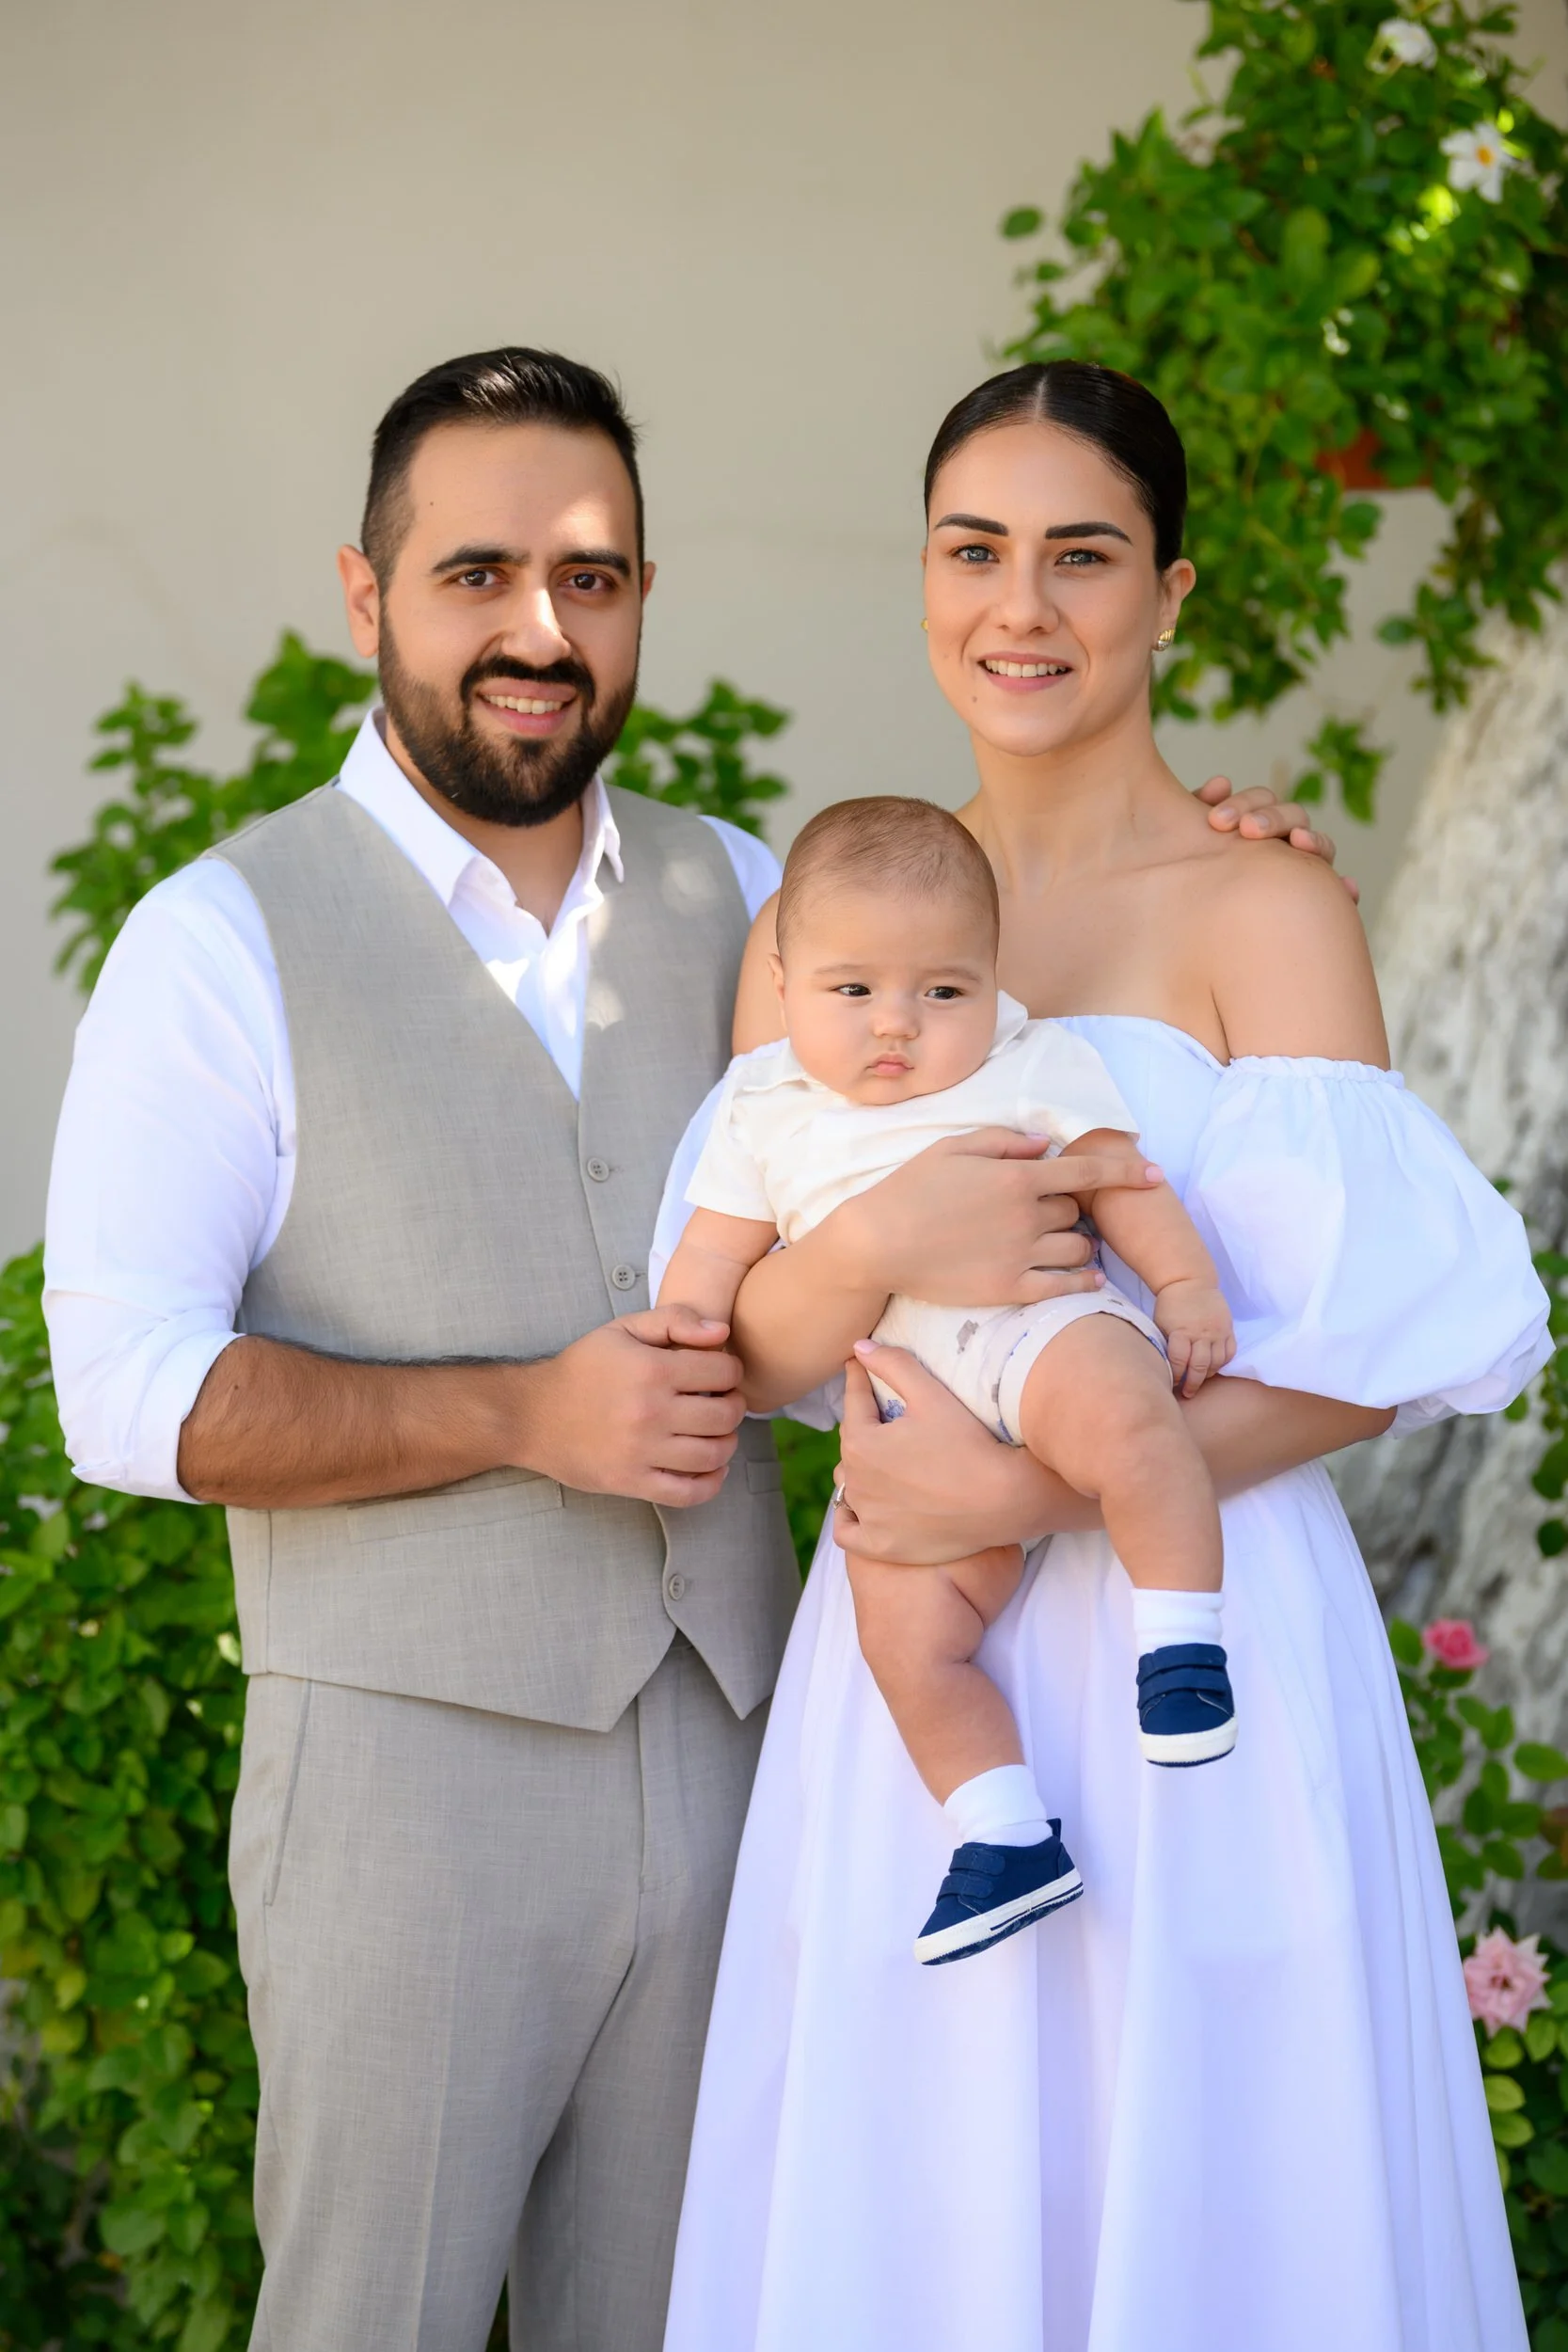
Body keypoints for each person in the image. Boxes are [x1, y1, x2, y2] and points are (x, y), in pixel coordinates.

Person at [43, 341, 1341, 2352]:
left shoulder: (759, 896)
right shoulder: (218, 939)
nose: (538, 629)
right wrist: (518, 1410)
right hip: (411, 1784)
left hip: (759, 1755)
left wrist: (1227, 865)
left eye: (594, 576)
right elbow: (127, 1388)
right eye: (476, 574)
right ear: (366, 591)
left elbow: (996, 997)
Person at [658, 360, 1549, 2352]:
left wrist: (1036, 1479)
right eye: (972, 550)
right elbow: (750, 1339)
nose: (1020, 606)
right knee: (926, 2171)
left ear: (1168, 592)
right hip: (915, 1647)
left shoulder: (1263, 897)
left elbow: (1368, 1352)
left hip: (1197, 1618)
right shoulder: (821, 925)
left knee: (1217, 2172)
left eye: (1081, 555)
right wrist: (886, 1236)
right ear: (918, 578)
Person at [660, 792, 1238, 1969]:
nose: (897, 1026)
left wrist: (1179, 1290)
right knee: (904, 1639)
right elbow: (713, 1257)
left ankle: (1180, 1644)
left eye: (942, 991)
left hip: (1037, 1331)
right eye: (852, 988)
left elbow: (1120, 1181)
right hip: (903, 1404)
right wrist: (680, 1330)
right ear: (781, 982)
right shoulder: (763, 1108)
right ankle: (1001, 1831)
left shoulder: (1029, 1059)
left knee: (1131, 1425)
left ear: (992, 980)